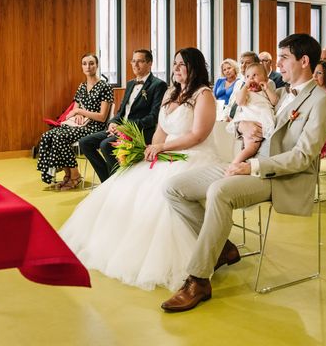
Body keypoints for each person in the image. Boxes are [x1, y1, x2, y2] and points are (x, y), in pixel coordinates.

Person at [160, 34, 326, 312]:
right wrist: (243, 129)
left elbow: (303, 157)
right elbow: (235, 119)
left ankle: (198, 279)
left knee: (219, 191)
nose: (276, 63)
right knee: (174, 187)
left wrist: (253, 166)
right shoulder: (278, 94)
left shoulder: (323, 101)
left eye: (283, 58)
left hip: (280, 177)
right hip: (250, 161)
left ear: (304, 61)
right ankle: (222, 249)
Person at [60, 47, 222, 291]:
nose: (175, 68)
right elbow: (162, 129)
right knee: (125, 182)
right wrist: (152, 148)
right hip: (166, 149)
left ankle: (201, 254)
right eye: (175, 63)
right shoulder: (171, 93)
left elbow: (197, 135)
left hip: (192, 154)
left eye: (181, 64)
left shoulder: (203, 95)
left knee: (158, 193)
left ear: (194, 67)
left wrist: (162, 148)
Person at [79, 49, 167, 183]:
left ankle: (117, 183)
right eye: (133, 61)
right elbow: (121, 112)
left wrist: (125, 128)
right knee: (85, 143)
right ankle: (108, 181)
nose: (135, 64)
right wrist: (113, 123)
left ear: (150, 64)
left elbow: (153, 117)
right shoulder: (131, 83)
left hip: (139, 132)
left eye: (140, 61)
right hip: (120, 129)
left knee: (106, 145)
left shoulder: (158, 85)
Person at [36, 53, 113, 189]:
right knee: (47, 135)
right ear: (81, 67)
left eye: (91, 63)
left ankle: (75, 176)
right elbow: (74, 111)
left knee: (60, 137)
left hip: (95, 127)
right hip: (78, 125)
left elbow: (102, 116)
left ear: (97, 65)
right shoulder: (81, 87)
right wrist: (77, 114)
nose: (88, 67)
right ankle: (68, 174)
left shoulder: (105, 87)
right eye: (84, 64)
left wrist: (80, 112)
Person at [227, 63, 278, 166]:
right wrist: (245, 87)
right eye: (247, 76)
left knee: (254, 149)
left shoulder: (266, 91)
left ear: (265, 78)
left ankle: (242, 164)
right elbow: (240, 102)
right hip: (249, 119)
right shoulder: (246, 93)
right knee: (251, 148)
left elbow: (275, 101)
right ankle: (234, 164)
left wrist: (267, 88)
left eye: (255, 75)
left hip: (263, 121)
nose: (251, 79)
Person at [226, 51, 260, 119]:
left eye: (247, 63)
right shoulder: (238, 82)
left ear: (256, 65)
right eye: (242, 63)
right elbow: (231, 103)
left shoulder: (263, 84)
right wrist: (226, 116)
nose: (243, 66)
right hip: (229, 119)